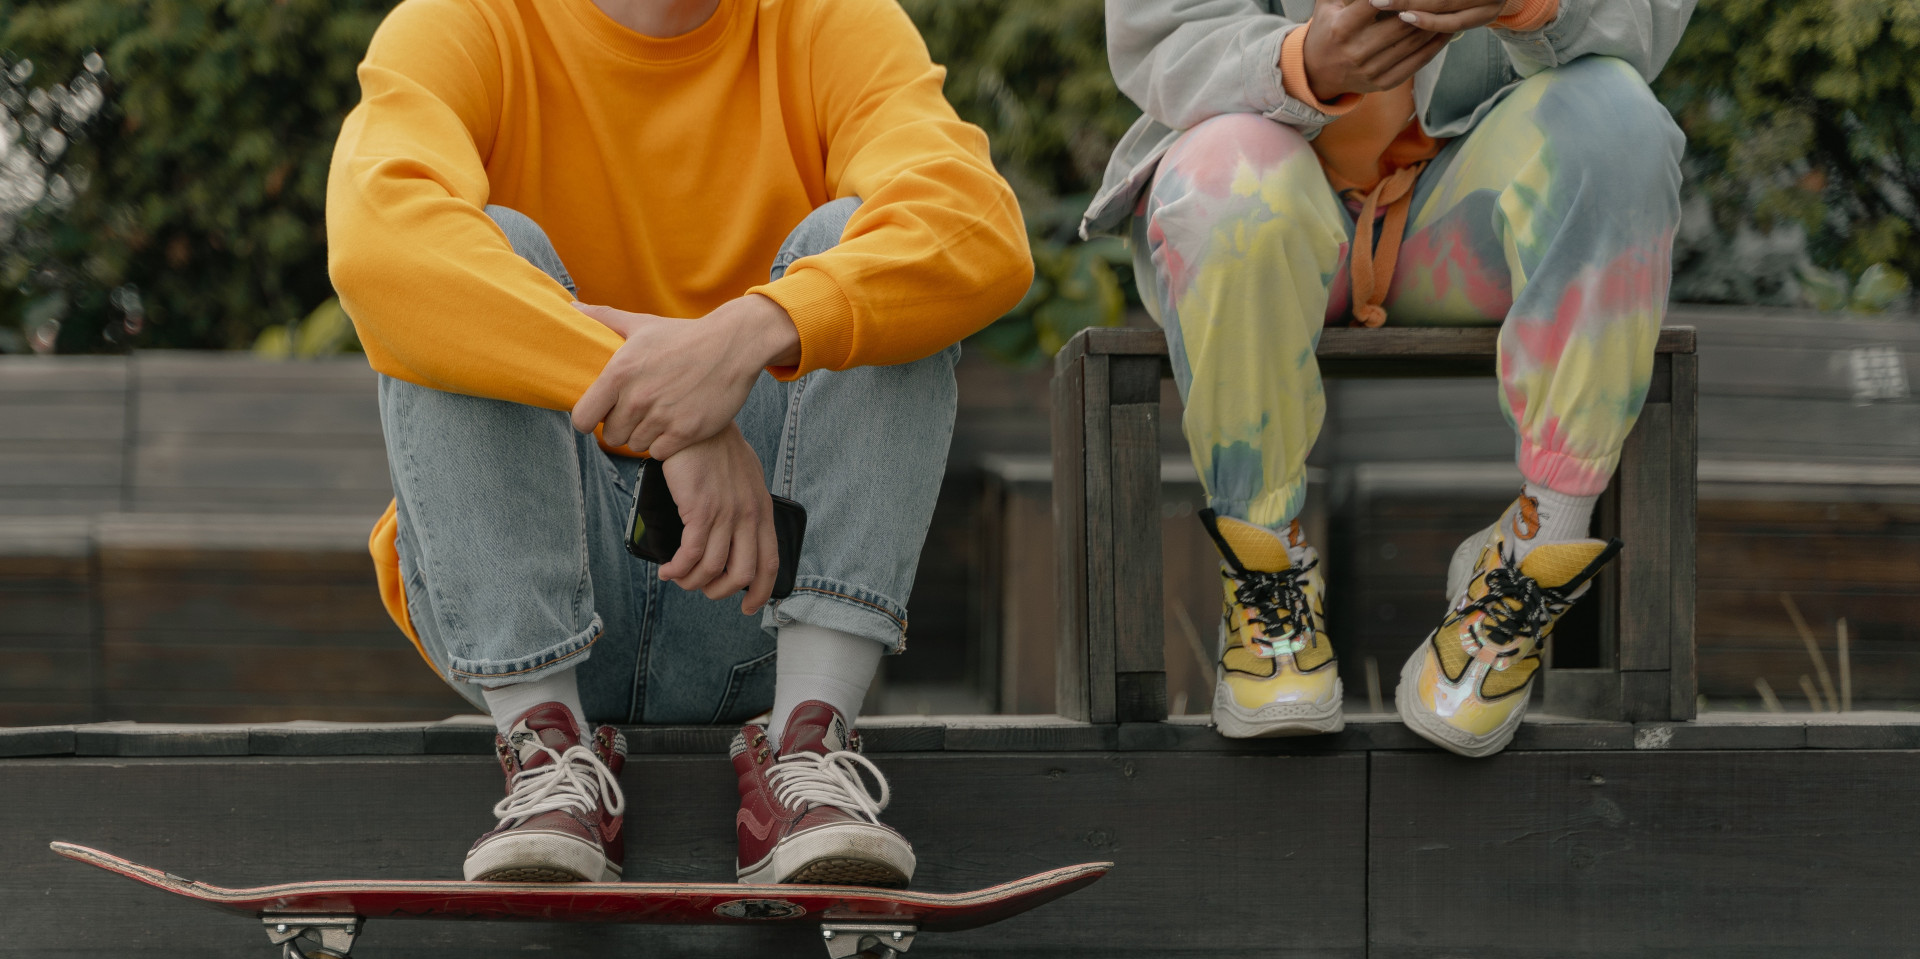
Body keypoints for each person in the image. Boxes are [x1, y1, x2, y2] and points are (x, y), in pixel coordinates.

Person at [327, 0, 1030, 884]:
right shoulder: (464, 21)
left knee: (867, 240)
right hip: (515, 609)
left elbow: (977, 225)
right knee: (480, 251)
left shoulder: (831, 21)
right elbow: (376, 244)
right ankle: (546, 762)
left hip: (761, 590)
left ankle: (808, 754)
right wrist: (674, 415)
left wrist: (745, 338)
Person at [1089, 0, 1692, 755]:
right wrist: (1302, 63)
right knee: (1224, 174)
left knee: (1621, 123)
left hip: (1473, 220)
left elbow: (1647, 20)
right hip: (1267, 207)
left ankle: (1537, 551)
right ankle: (1264, 575)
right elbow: (1162, 33)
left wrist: (1532, 6)